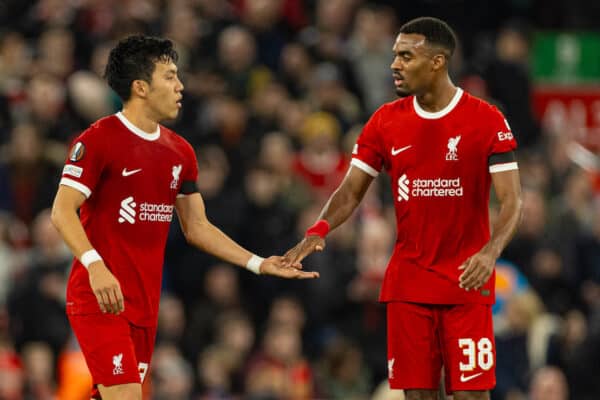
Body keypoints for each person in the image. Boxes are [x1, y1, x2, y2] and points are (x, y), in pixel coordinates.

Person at [50, 35, 319, 400]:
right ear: (141, 87)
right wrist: (95, 265)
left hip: (144, 302)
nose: (181, 86)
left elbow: (197, 227)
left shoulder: (180, 153)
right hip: (100, 297)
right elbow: (61, 210)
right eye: (171, 76)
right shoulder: (98, 140)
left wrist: (258, 263)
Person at [284, 17, 522, 400]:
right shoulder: (385, 122)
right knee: (416, 396)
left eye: (406, 56)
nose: (394, 64)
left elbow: (513, 200)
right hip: (409, 285)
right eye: (394, 55)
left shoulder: (486, 119)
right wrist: (317, 231)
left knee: (471, 397)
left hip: (466, 282)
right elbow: (350, 191)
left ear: (437, 62)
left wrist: (490, 252)